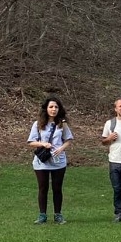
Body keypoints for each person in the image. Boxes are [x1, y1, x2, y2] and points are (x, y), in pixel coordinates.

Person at [27, 96, 74, 225]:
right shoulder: (38, 124)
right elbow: (31, 142)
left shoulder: (62, 124)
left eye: (56, 107)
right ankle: (42, 215)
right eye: (51, 107)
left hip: (58, 161)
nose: (54, 109)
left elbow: (69, 139)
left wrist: (61, 148)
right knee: (43, 188)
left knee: (57, 188)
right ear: (46, 109)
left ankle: (58, 214)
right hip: (42, 162)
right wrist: (42, 144)